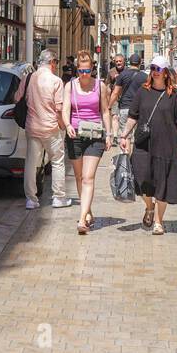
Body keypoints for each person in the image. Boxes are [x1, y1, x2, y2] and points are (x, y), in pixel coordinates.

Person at [119, 55, 177, 235]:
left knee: (163, 183)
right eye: (152, 69)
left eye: (158, 69)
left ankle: (158, 221)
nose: (154, 72)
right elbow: (133, 116)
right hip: (144, 144)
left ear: (165, 73)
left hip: (167, 145)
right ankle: (149, 206)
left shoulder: (174, 95)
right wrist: (124, 135)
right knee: (141, 179)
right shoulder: (143, 91)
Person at [62, 49, 112, 235]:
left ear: (92, 69)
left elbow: (105, 111)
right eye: (81, 71)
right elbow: (66, 109)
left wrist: (109, 134)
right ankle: (87, 210)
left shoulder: (100, 86)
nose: (84, 75)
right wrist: (67, 125)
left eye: (87, 71)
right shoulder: (70, 86)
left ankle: (82, 219)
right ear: (77, 70)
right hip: (75, 135)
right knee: (79, 177)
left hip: (95, 136)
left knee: (88, 177)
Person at [13, 49, 70, 210]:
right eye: (56, 62)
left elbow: (17, 98)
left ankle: (31, 200)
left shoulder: (28, 78)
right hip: (51, 128)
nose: (56, 65)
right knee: (58, 162)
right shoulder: (56, 81)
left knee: (31, 163)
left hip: (33, 127)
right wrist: (62, 126)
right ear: (52, 62)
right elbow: (59, 109)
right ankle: (58, 197)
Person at [110, 53, 145, 121]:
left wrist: (109, 106)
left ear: (129, 62)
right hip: (138, 108)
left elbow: (115, 92)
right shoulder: (145, 77)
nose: (118, 63)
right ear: (140, 63)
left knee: (125, 131)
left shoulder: (122, 75)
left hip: (125, 107)